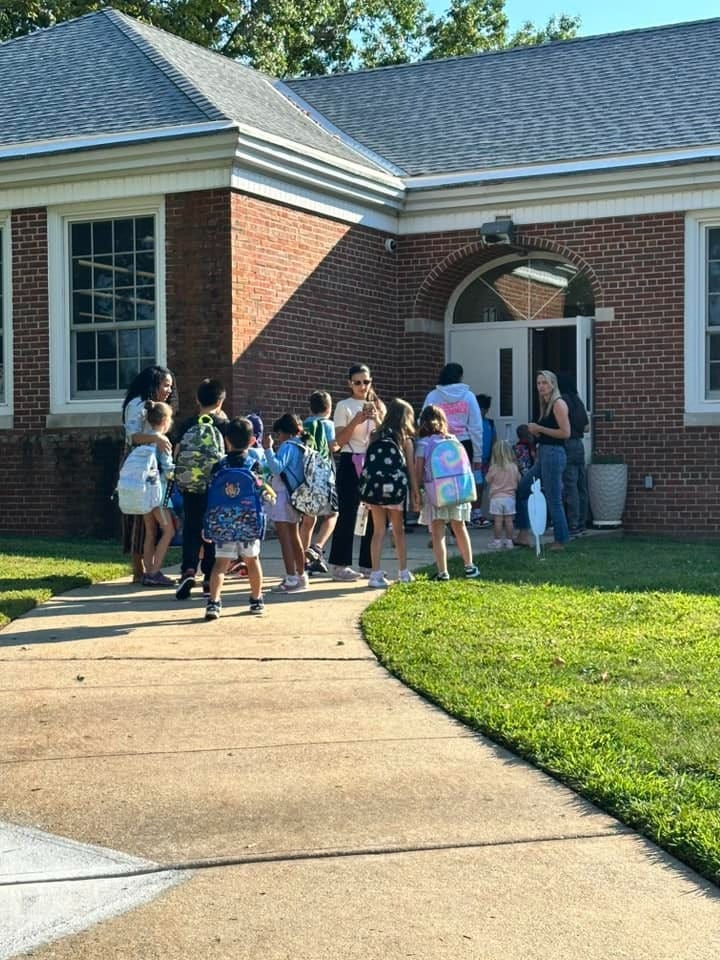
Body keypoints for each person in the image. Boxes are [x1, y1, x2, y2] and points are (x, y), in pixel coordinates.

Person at [204, 418, 266, 620]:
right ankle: (256, 599)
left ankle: (213, 602)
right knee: (252, 561)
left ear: (226, 440)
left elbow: (210, 494)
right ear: (251, 441)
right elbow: (261, 490)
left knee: (220, 563)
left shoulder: (218, 466)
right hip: (248, 522)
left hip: (223, 524)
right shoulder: (254, 465)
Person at [328, 364, 385, 581]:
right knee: (347, 513)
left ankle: (368, 564)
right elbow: (339, 441)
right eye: (357, 382)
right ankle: (340, 564)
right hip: (351, 459)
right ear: (349, 384)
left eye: (366, 382)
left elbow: (384, 435)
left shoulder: (378, 405)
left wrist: (377, 418)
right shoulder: (344, 405)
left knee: (374, 513)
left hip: (372, 461)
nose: (362, 386)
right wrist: (357, 419)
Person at [121, 365, 177, 583]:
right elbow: (132, 436)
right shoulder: (137, 405)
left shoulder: (151, 406)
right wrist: (158, 439)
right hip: (141, 471)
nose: (169, 390)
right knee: (139, 524)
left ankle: (146, 572)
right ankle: (142, 571)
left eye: (170, 386)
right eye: (165, 385)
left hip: (145, 471)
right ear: (153, 384)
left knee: (147, 527)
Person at [173, 378, 227, 601]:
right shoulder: (223, 425)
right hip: (215, 487)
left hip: (190, 485)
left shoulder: (187, 424)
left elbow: (176, 452)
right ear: (221, 401)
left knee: (192, 527)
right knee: (212, 530)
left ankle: (188, 570)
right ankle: (208, 577)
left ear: (197, 400)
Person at [415, 404, 480, 581]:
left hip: (436, 493)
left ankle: (443, 572)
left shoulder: (423, 443)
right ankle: (470, 566)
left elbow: (418, 470)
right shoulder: (454, 439)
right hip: (457, 491)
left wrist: (417, 489)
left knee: (437, 532)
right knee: (460, 527)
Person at [361, 398, 420, 587]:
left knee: (378, 531)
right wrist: (415, 491)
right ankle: (403, 572)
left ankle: (375, 574)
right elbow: (410, 468)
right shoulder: (404, 440)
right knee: (398, 531)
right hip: (395, 491)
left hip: (375, 489)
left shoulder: (375, 435)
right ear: (405, 418)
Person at [514, 370, 571, 551]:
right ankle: (523, 534)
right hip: (544, 453)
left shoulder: (558, 404)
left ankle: (560, 540)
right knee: (523, 488)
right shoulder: (544, 404)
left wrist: (539, 428)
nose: (541, 387)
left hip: (554, 454)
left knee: (553, 498)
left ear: (552, 384)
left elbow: (565, 433)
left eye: (544, 383)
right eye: (539, 383)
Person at [263, 413, 309, 593]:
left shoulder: (287, 446)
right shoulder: (302, 446)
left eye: (279, 434)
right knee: (294, 536)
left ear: (285, 433)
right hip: (296, 496)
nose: (278, 437)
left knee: (285, 540)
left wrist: (268, 449)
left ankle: (291, 577)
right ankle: (301, 574)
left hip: (282, 495)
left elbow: (276, 467)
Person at [302, 390, 338, 575]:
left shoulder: (305, 424)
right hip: (324, 476)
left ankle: (301, 560)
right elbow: (333, 446)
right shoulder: (328, 424)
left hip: (306, 475)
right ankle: (316, 547)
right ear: (329, 408)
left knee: (308, 519)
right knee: (332, 515)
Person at [141, 400, 176, 586]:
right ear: (164, 420)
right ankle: (154, 572)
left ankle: (147, 571)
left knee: (150, 531)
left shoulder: (144, 438)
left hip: (143, 491)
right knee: (168, 530)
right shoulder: (162, 441)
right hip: (159, 493)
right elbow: (168, 469)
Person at [558, 374, 590, 538]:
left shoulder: (561, 402)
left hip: (567, 443)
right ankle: (582, 523)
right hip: (579, 444)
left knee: (570, 486)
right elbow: (586, 428)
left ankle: (573, 524)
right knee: (580, 485)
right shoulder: (578, 401)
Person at [486, 440, 520, 550]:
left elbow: (487, 479)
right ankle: (509, 541)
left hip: (496, 498)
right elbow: (519, 479)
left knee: (498, 521)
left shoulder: (494, 468)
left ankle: (497, 541)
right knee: (509, 521)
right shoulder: (514, 467)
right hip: (510, 497)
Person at [471, 393, 496, 528]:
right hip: (473, 461)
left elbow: (493, 441)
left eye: (484, 409)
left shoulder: (490, 424)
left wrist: (493, 459)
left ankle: (476, 512)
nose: (482, 411)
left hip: (485, 460)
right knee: (476, 486)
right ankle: (475, 513)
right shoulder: (470, 423)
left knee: (481, 488)